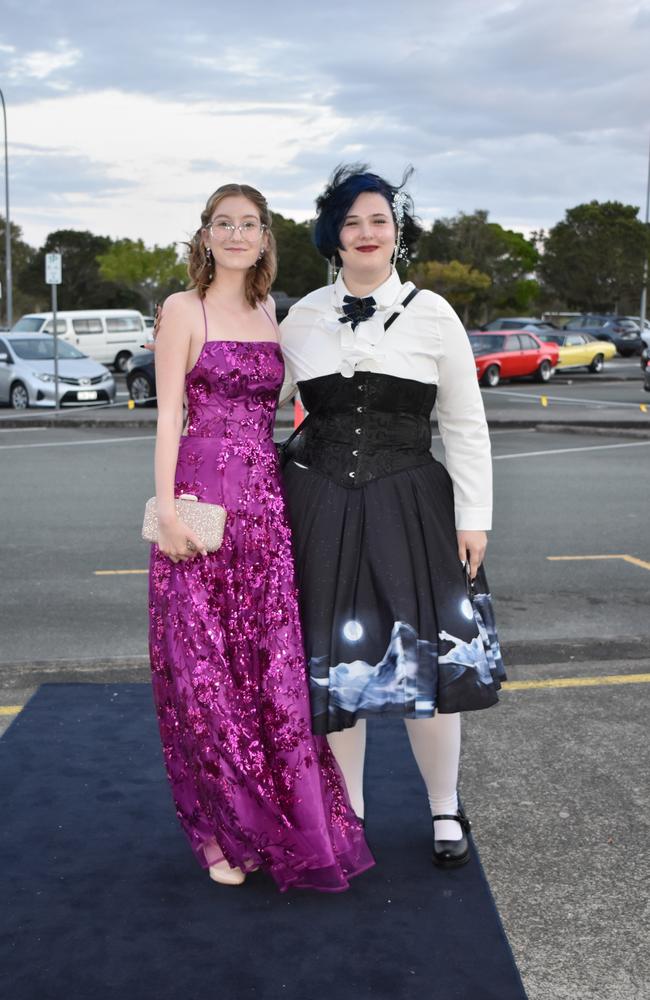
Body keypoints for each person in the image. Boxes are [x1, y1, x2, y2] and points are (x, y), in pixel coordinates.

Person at [147, 182, 373, 891]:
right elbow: (166, 417)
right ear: (205, 235)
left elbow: (293, 403)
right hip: (199, 504)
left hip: (265, 512)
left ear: (266, 237)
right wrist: (169, 511)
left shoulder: (269, 310)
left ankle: (273, 823)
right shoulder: (182, 309)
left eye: (250, 224)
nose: (237, 234)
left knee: (264, 676)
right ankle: (218, 833)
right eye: (224, 223)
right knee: (200, 676)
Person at [279, 165, 505, 868]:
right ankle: (351, 814)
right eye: (352, 222)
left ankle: (444, 807)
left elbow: (465, 425)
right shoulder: (301, 318)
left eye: (379, 220)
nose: (367, 233)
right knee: (337, 666)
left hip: (413, 506)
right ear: (333, 237)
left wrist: (476, 518)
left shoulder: (436, 313)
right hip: (319, 504)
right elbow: (260, 409)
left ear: (396, 233)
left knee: (426, 666)